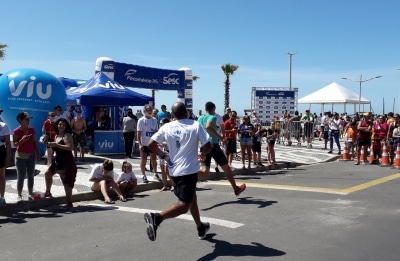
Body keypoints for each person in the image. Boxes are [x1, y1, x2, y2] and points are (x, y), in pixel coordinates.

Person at [145, 102, 212, 241]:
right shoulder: (195, 125)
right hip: (188, 171)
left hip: (173, 171)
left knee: (192, 198)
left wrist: (163, 155)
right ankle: (156, 218)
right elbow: (208, 145)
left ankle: (200, 227)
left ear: (173, 115)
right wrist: (203, 153)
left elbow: (150, 144)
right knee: (183, 205)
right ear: (187, 113)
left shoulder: (167, 126)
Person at [197, 102, 246, 196]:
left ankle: (186, 174)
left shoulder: (199, 118)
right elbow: (208, 126)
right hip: (213, 145)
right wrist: (221, 138)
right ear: (213, 108)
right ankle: (236, 189)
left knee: (204, 172)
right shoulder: (212, 117)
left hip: (203, 146)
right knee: (226, 169)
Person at [44, 118, 77, 208]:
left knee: (66, 181)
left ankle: (69, 202)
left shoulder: (67, 135)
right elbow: (52, 150)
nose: (61, 126)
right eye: (59, 124)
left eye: (63, 124)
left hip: (66, 160)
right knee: (47, 173)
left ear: (66, 126)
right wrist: (50, 146)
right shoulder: (56, 136)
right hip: (57, 159)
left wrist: (56, 144)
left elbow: (70, 147)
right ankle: (48, 192)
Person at [13, 112, 41, 202]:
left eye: (29, 119)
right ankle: (19, 195)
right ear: (20, 120)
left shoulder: (31, 129)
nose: (28, 121)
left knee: (31, 175)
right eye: (26, 119)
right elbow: (15, 144)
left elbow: (34, 142)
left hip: (31, 155)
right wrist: (22, 140)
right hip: (20, 156)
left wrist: (38, 152)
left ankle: (30, 193)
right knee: (21, 176)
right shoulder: (16, 131)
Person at [137, 104, 160, 183]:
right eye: (148, 110)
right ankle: (144, 175)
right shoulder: (141, 120)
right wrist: (140, 144)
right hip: (144, 143)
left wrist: (157, 142)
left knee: (154, 159)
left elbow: (157, 132)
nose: (150, 111)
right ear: (145, 111)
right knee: (143, 159)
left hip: (152, 143)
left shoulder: (154, 120)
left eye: (151, 109)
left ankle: (155, 173)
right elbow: (139, 133)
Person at [158, 118, 176, 191]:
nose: (160, 125)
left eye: (161, 123)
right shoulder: (160, 131)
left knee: (167, 170)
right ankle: (165, 185)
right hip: (160, 151)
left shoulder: (170, 131)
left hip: (168, 152)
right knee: (163, 170)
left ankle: (173, 185)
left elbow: (172, 142)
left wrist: (163, 144)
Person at [0, 117, 11, 206]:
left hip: (0, 150)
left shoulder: (4, 126)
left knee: (1, 176)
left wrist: (8, 157)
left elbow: (8, 142)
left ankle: (2, 197)